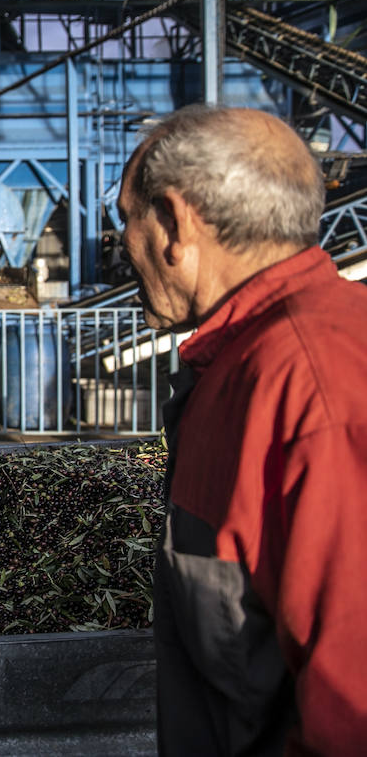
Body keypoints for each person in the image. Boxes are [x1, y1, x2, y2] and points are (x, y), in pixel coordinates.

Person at [117, 105, 367, 754]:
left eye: (127, 218)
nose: (124, 243)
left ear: (174, 222)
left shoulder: (308, 382)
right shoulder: (253, 363)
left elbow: (353, 700)